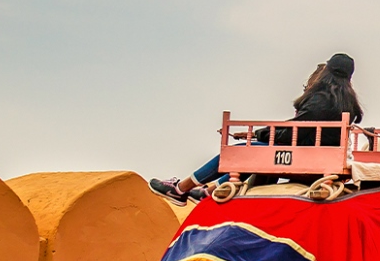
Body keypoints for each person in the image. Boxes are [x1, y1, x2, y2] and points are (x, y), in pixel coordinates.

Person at [149, 53, 365, 202]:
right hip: (324, 156)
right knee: (251, 148)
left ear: (326, 71)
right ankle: (207, 192)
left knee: (242, 151)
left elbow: (295, 131)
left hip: (303, 155)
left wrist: (256, 134)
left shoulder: (321, 99)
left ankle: (180, 189)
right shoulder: (347, 103)